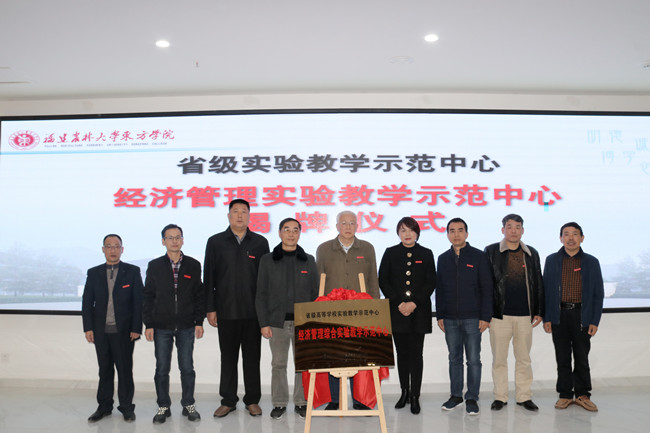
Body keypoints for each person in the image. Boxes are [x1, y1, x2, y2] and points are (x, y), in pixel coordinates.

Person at [204, 199, 270, 417]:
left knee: (252, 359)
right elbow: (209, 276)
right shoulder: (215, 242)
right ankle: (228, 400)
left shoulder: (260, 242)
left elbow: (265, 280)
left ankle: (252, 400)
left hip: (253, 312)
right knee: (228, 358)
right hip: (226, 310)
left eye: (244, 211)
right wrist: (210, 308)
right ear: (229, 216)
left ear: (249, 216)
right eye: (235, 211)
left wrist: (265, 312)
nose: (240, 215)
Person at [255, 218, 319, 420]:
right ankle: (279, 403)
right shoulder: (267, 260)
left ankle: (301, 402)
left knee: (302, 364)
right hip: (276, 322)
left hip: (304, 322)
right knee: (278, 364)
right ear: (280, 233)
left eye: (295, 230)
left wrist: (314, 322)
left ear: (299, 233)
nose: (291, 234)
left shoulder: (308, 260)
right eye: (287, 230)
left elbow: (315, 293)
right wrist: (264, 323)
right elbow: (261, 293)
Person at [315, 210, 380, 410]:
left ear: (357, 226)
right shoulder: (324, 249)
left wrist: (375, 309)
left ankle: (360, 399)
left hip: (360, 312)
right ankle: (335, 399)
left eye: (352, 223)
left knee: (358, 356)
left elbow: (372, 280)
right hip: (331, 312)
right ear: (337, 226)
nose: (348, 227)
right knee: (333, 355)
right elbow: (318, 281)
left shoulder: (367, 248)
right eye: (344, 223)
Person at [143, 224, 204, 423]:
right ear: (163, 241)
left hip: (186, 326)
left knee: (187, 368)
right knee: (162, 369)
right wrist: (148, 324)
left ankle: (188, 404)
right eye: (170, 237)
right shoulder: (155, 266)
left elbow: (199, 295)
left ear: (183, 240)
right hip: (161, 326)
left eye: (178, 237)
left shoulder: (193, 265)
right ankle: (163, 406)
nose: (174, 241)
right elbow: (148, 296)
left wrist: (199, 321)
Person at [484, 214, 544, 412]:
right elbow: (485, 284)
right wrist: (486, 313)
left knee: (524, 359)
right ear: (503, 230)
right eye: (509, 227)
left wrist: (539, 310)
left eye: (517, 227)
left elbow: (538, 282)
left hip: (525, 316)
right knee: (499, 359)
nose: (513, 231)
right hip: (499, 315)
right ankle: (500, 397)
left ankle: (524, 397)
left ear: (522, 230)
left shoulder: (531, 253)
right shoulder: (491, 251)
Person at [543, 222, 604, 412]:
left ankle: (583, 395)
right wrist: (547, 317)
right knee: (562, 357)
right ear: (560, 238)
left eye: (575, 234)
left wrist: (594, 320)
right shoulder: (551, 260)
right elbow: (545, 291)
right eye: (566, 234)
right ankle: (565, 395)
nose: (570, 238)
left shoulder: (591, 262)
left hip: (582, 315)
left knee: (581, 357)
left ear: (582, 238)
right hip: (558, 315)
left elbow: (598, 294)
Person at [82, 234, 143, 422]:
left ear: (122, 249)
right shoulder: (93, 273)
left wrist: (136, 327)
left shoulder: (132, 271)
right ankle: (104, 407)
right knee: (104, 370)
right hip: (100, 331)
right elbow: (87, 303)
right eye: (109, 246)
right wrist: (88, 328)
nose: (113, 250)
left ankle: (126, 407)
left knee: (125, 371)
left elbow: (138, 302)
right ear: (103, 249)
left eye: (116, 246)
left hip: (124, 331)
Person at [378, 217, 435, 415]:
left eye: (411, 230)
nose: (407, 234)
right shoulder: (390, 253)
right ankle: (404, 392)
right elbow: (383, 280)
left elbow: (431, 282)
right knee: (402, 354)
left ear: (417, 232)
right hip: (397, 312)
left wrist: (414, 303)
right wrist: (399, 302)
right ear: (398, 233)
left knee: (416, 355)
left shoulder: (426, 253)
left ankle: (415, 396)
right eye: (403, 230)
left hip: (419, 312)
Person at [436, 218, 493, 415]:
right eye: (452, 231)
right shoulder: (443, 258)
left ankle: (472, 397)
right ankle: (456, 396)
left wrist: (486, 316)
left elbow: (487, 288)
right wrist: (440, 314)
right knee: (454, 359)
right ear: (447, 234)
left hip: (473, 318)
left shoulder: (479, 256)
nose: (456, 234)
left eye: (460, 230)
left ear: (466, 234)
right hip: (450, 318)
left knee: (473, 360)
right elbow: (440, 289)